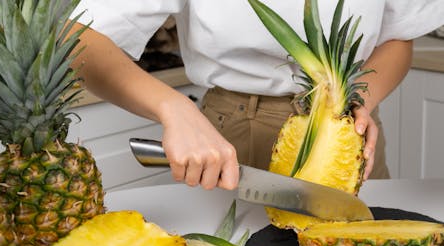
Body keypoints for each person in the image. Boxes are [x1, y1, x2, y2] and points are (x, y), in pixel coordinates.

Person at [67, 0, 444, 191]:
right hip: (234, 132)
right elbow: (77, 37)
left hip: (353, 131)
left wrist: (363, 101)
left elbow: (398, 36)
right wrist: (175, 108)